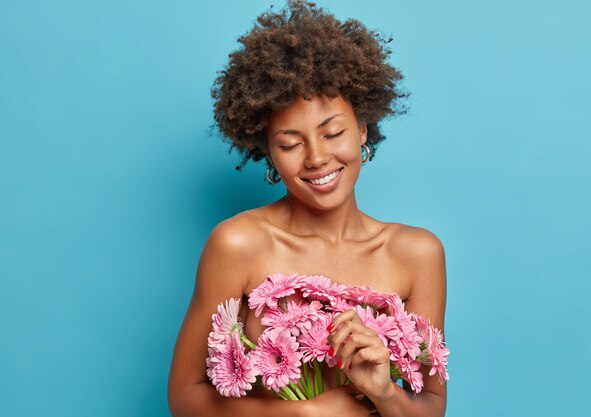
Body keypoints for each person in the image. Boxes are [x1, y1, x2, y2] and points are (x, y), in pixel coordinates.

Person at [168, 1, 447, 416]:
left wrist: (383, 392)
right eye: (290, 143)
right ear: (268, 153)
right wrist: (302, 414)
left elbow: (431, 408)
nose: (316, 158)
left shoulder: (417, 254)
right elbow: (185, 397)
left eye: (333, 132)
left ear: (363, 130)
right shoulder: (237, 244)